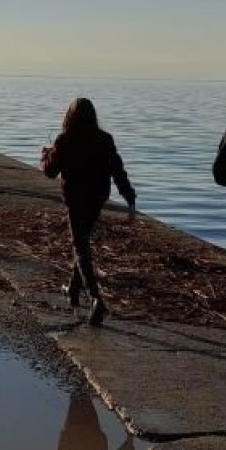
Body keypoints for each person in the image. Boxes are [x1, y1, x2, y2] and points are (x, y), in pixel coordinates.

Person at [41, 98, 137, 326]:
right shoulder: (105, 140)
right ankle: (72, 289)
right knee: (82, 242)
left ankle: (95, 298)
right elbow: (117, 170)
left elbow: (50, 172)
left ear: (69, 117)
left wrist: (45, 156)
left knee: (80, 246)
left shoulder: (65, 140)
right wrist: (129, 197)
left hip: (76, 198)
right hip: (97, 197)